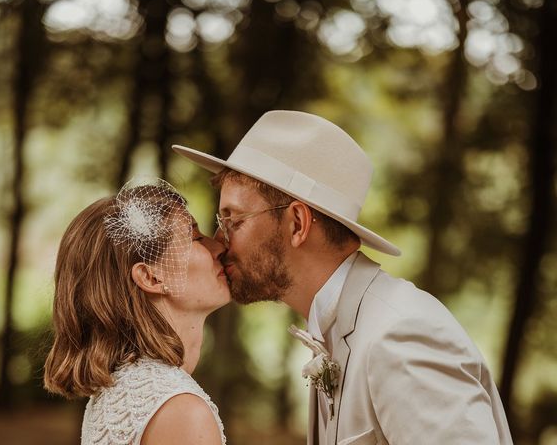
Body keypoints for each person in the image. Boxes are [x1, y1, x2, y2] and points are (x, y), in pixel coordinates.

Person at [173, 110, 513, 444]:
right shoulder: (336, 329)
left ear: (297, 224)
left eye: (234, 220)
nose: (219, 242)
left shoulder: (400, 335)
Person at [44, 178, 229, 445]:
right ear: (151, 277)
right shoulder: (181, 411)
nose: (219, 247)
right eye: (195, 238)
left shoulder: (124, 391)